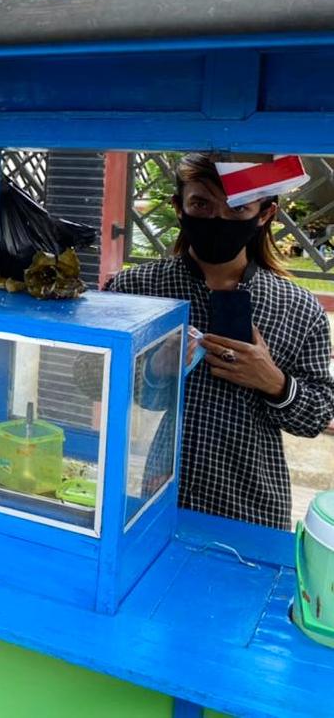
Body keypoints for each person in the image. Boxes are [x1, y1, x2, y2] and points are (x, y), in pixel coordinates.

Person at [106, 152, 334, 529]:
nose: (219, 219)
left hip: (253, 502)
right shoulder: (136, 290)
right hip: (155, 492)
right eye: (202, 204)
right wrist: (152, 369)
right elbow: (88, 376)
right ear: (179, 208)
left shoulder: (297, 307)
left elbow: (317, 415)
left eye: (239, 207)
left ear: (265, 214)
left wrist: (274, 382)